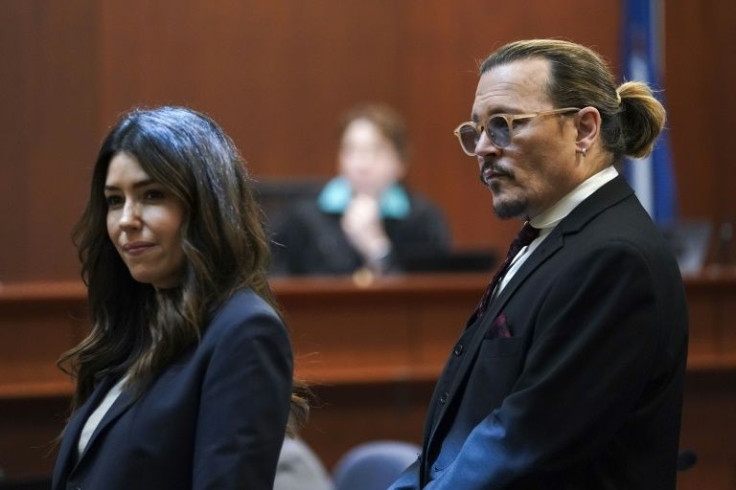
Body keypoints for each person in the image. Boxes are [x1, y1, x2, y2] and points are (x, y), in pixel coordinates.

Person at [389, 39, 688, 489]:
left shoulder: (614, 257)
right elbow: (469, 427)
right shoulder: (553, 236)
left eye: (505, 125)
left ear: (585, 130)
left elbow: (523, 444)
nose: (484, 149)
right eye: (477, 132)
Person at [52, 106, 307, 490]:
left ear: (206, 207)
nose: (126, 220)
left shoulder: (244, 330)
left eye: (151, 195)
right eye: (115, 200)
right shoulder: (138, 324)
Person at [270, 103, 451, 276]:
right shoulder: (301, 216)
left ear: (401, 162)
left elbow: (429, 296)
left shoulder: (422, 218)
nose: (362, 164)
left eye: (376, 151)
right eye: (351, 150)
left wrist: (377, 248)